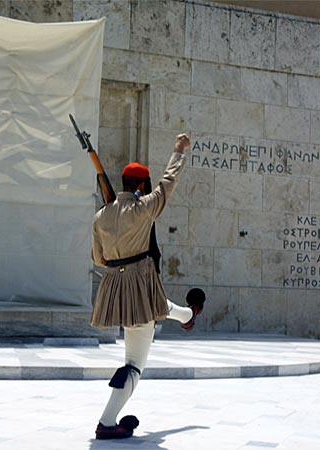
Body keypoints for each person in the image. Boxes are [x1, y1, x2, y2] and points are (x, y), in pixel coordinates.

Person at [90, 133, 206, 440]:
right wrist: (178, 151)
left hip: (115, 287)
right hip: (139, 286)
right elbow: (169, 182)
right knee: (134, 364)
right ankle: (107, 421)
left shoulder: (100, 216)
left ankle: (187, 316)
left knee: (158, 305)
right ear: (141, 186)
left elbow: (98, 259)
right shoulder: (144, 209)